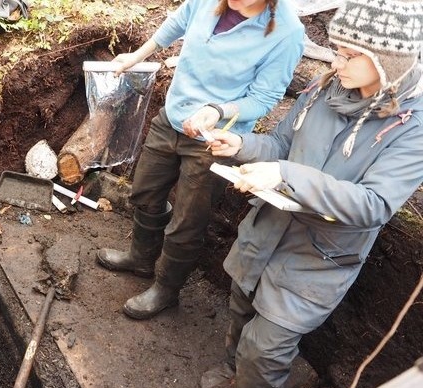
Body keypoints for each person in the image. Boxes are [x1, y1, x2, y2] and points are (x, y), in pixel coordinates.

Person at [204, 0, 423, 388]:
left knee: (264, 351)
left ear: (389, 62)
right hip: (266, 231)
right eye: (336, 49)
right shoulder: (326, 89)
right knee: (239, 307)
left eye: (348, 54)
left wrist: (285, 173)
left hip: (317, 260)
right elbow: (282, 146)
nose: (335, 60)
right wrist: (244, 147)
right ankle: (237, 374)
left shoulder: (411, 127)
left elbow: (374, 204)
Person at [97, 0, 304, 319]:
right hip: (173, 116)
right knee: (145, 192)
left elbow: (263, 99)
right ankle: (141, 258)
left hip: (214, 139)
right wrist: (136, 55)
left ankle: (166, 290)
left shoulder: (287, 33)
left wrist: (217, 111)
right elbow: (176, 23)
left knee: (188, 220)